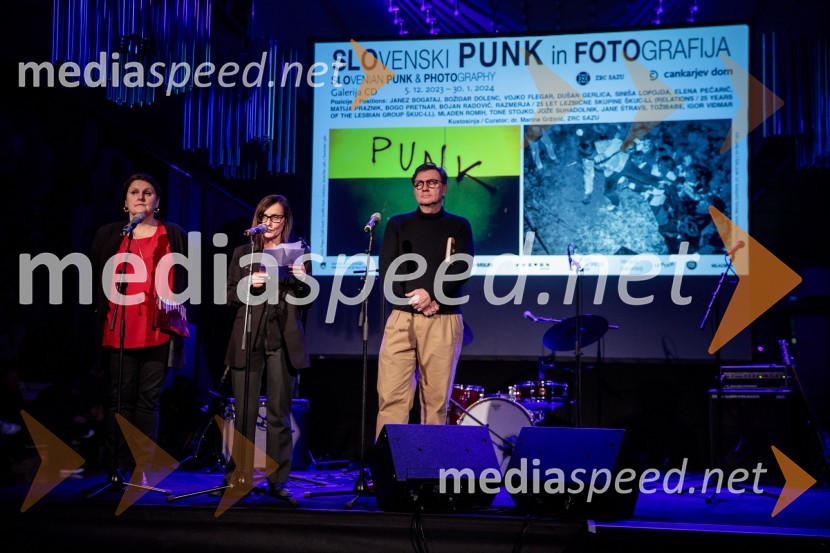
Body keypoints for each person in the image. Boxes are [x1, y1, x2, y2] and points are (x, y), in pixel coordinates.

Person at [90, 173, 188, 479]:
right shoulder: (109, 234)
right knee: (119, 399)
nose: (141, 197)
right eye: (134, 192)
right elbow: (94, 281)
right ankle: (117, 465)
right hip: (118, 327)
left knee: (148, 401)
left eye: (148, 192)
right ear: (125, 202)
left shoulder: (173, 233)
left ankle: (141, 468)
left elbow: (185, 280)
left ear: (157, 202)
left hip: (158, 330)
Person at [220, 194, 311, 503]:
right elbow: (230, 294)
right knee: (243, 413)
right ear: (257, 220)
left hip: (282, 339)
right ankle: (238, 476)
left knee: (278, 414)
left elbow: (308, 299)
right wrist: (251, 286)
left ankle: (278, 481)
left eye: (276, 218)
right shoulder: (244, 252)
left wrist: (301, 281)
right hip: (248, 336)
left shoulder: (299, 252)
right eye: (265, 217)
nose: (270, 223)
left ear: (285, 221)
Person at [375, 162, 474, 440]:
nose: (425, 188)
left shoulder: (459, 225)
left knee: (435, 402)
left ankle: (429, 473)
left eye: (431, 183)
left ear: (443, 188)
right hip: (401, 319)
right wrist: (416, 301)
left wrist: (432, 297)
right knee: (391, 398)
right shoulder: (398, 224)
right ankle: (387, 470)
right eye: (419, 184)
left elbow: (461, 269)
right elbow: (388, 269)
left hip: (443, 318)